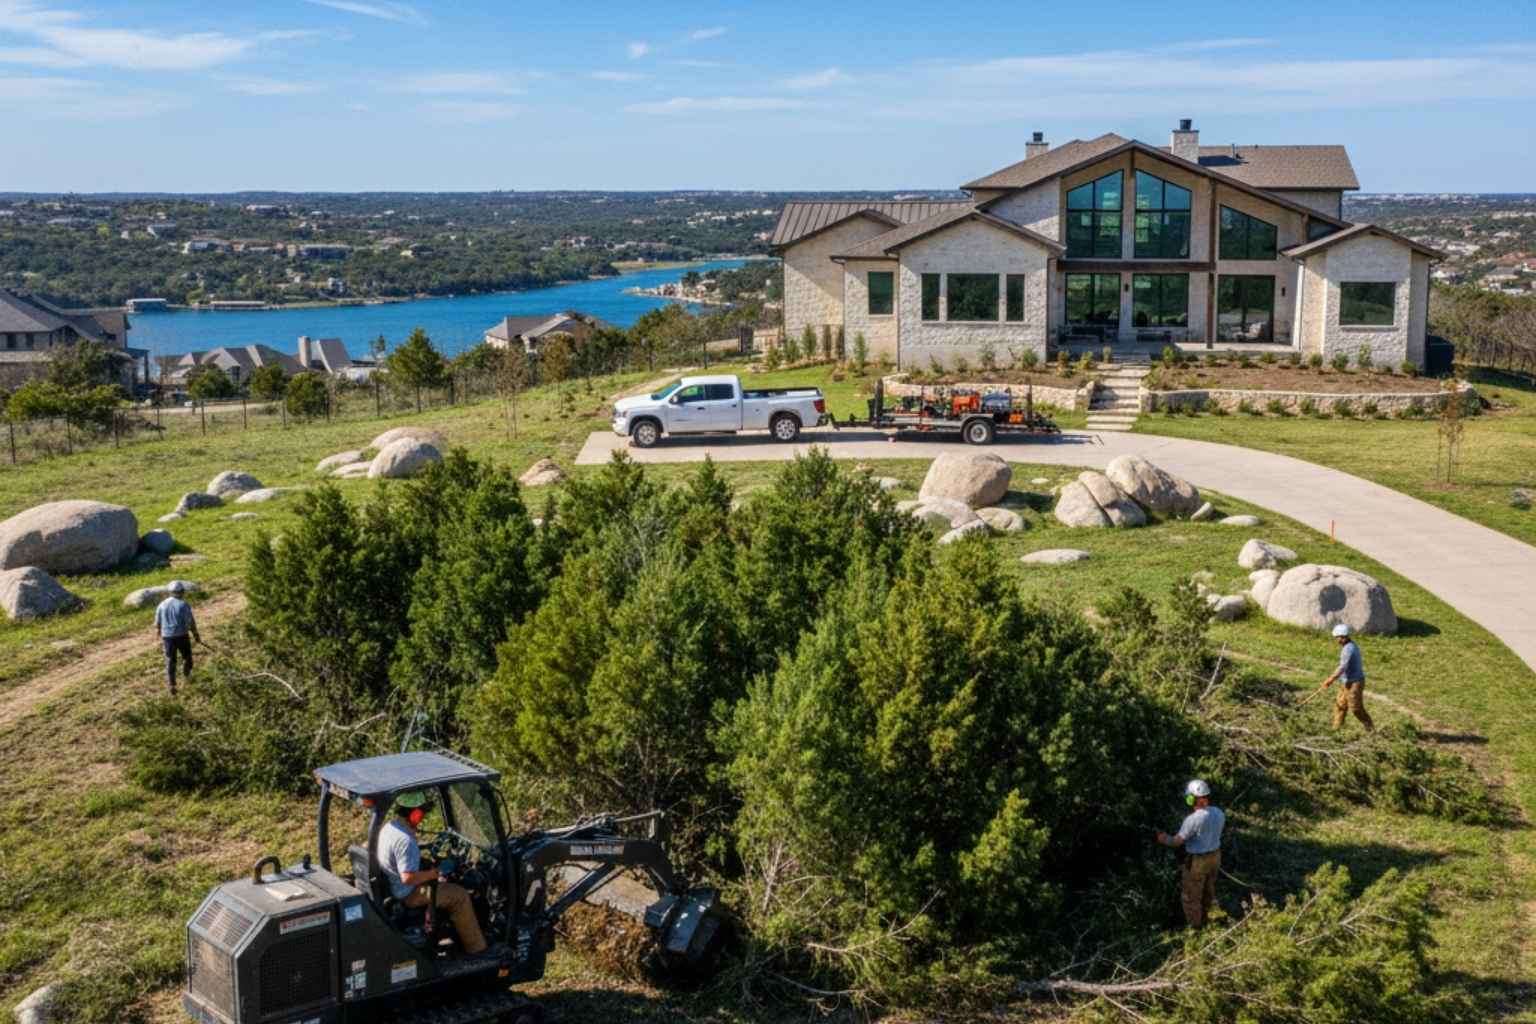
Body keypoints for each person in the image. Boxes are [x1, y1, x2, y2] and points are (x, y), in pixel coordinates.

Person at [378, 790, 489, 956]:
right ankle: (478, 951)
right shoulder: (405, 840)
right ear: (415, 813)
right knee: (460, 896)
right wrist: (435, 873)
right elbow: (407, 878)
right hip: (407, 893)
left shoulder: (390, 827)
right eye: (422, 813)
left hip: (392, 886)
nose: (422, 817)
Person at [1156, 779, 1226, 928]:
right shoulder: (1219, 812)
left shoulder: (1192, 819)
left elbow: (1177, 842)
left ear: (1192, 798)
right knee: (1209, 889)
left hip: (1198, 861)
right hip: (1216, 856)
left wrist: (1163, 839)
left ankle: (1196, 929)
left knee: (1191, 896)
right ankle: (1212, 920)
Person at [1320, 623, 1374, 733]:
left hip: (1355, 683)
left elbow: (1342, 667)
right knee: (1340, 706)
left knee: (1355, 708)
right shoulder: (1348, 646)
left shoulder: (1348, 649)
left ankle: (1371, 729)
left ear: (1344, 637)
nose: (1337, 640)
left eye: (1338, 637)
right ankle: (1336, 730)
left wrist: (1330, 679)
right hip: (1346, 682)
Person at [153, 581, 200, 695]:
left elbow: (157, 624)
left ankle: (172, 684)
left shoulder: (161, 605)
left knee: (170, 660)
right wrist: (196, 635)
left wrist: (159, 634)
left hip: (167, 637)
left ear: (170, 592)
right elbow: (190, 622)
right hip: (181, 635)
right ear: (182, 592)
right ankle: (187, 675)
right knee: (187, 656)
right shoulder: (183, 605)